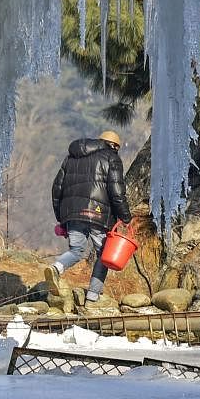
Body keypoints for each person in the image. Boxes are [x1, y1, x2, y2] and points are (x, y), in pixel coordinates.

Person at [45, 130, 132, 313]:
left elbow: (56, 188)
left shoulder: (72, 156)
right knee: (104, 255)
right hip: (98, 214)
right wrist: (125, 216)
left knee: (76, 250)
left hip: (73, 213)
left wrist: (62, 216)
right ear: (114, 146)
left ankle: (56, 268)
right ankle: (93, 297)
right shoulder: (111, 158)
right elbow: (116, 192)